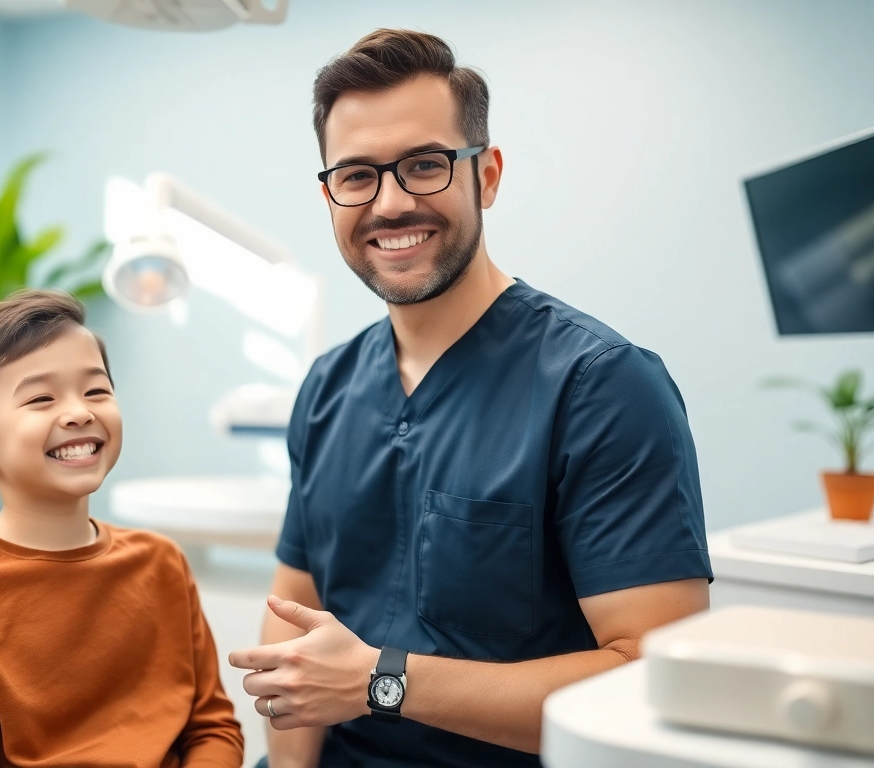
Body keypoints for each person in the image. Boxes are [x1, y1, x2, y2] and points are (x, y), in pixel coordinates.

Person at [228, 29, 713, 767]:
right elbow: (293, 628)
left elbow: (648, 676)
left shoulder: (602, 388)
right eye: (357, 176)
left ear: (486, 176)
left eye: (424, 166)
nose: (389, 204)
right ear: (329, 195)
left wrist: (382, 682)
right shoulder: (328, 387)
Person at [0, 289, 244, 768]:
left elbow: (213, 728)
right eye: (41, 398)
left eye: (97, 391)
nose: (80, 412)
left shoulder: (161, 562)